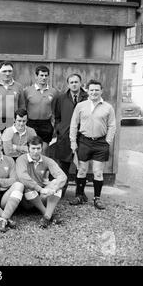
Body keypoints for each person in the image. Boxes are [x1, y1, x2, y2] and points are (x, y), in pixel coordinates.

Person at [69, 79, 116, 210]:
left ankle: (97, 199)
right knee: (82, 170)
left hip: (101, 142)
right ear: (87, 91)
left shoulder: (108, 107)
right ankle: (79, 196)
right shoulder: (81, 106)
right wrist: (73, 142)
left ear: (101, 91)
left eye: (97, 90)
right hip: (84, 141)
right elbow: (74, 124)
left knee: (98, 172)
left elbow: (112, 125)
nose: (94, 92)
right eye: (91, 90)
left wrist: (108, 142)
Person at [16, 136, 67, 229]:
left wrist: (54, 188)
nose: (36, 151)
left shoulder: (46, 160)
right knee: (27, 186)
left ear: (42, 148)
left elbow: (62, 176)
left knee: (56, 183)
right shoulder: (21, 159)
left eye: (38, 148)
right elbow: (23, 177)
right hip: (27, 200)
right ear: (28, 148)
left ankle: (47, 217)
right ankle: (48, 214)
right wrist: (41, 189)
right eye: (33, 148)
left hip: (41, 196)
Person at [54, 73, 88, 197]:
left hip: (83, 137)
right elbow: (57, 116)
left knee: (82, 165)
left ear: (80, 83)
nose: (74, 84)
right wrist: (60, 129)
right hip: (65, 136)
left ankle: (80, 193)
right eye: (71, 82)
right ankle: (61, 191)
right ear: (68, 84)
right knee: (64, 165)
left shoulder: (87, 97)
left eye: (76, 82)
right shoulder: (62, 98)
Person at [23, 65, 58, 154]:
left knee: (43, 150)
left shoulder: (53, 91)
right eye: (41, 75)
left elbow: (53, 108)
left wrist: (53, 124)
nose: (44, 78)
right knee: (31, 150)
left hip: (46, 124)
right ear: (36, 76)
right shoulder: (28, 91)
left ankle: (42, 167)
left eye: (46, 75)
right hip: (31, 123)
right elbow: (24, 107)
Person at [0, 61, 25, 131]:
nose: (7, 74)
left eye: (9, 71)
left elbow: (22, 105)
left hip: (13, 121)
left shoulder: (19, 86)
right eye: (4, 71)